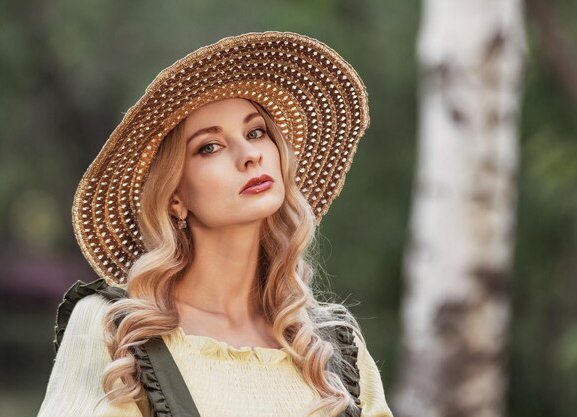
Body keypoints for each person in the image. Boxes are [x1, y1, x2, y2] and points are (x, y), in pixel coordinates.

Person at [36, 31, 394, 417]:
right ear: (175, 197)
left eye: (256, 132)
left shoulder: (333, 342)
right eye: (210, 147)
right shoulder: (116, 330)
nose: (249, 155)